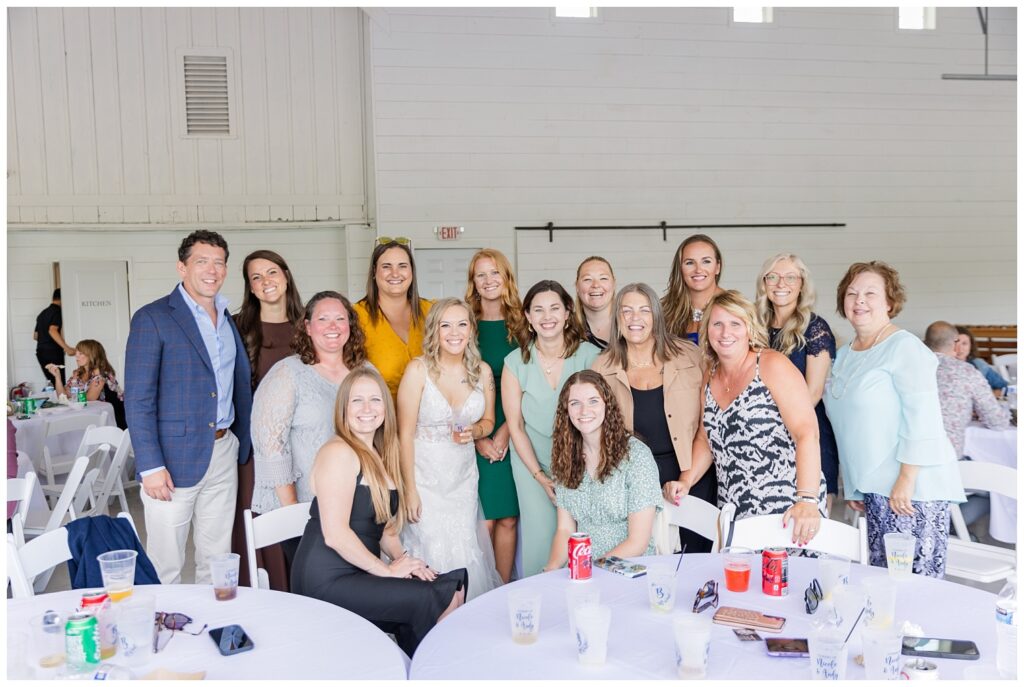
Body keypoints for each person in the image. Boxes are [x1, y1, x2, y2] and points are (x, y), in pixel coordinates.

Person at [291, 367, 467, 657]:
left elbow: (382, 526)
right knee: (436, 598)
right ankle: (429, 671)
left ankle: (418, 669)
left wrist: (405, 561)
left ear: (386, 406)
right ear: (343, 408)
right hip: (326, 580)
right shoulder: (339, 452)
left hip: (357, 571)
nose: (367, 409)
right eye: (357, 401)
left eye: (375, 400)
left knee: (450, 587)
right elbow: (335, 535)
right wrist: (386, 571)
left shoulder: (377, 452)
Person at [125, 230, 253, 585]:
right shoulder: (153, 318)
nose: (212, 270)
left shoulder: (228, 319)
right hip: (172, 459)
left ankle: (209, 630)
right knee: (166, 563)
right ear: (182, 267)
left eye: (219, 263)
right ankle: (164, 631)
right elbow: (138, 398)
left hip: (224, 449)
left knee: (216, 557)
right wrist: (150, 465)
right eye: (202, 262)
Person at [824, 262, 965, 578]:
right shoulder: (846, 353)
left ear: (889, 302)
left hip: (912, 488)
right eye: (852, 293)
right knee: (883, 583)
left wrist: (907, 478)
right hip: (876, 487)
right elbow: (852, 426)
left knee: (914, 588)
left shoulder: (904, 347)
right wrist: (858, 487)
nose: (860, 300)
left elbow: (924, 417)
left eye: (871, 293)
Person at [663, 291, 826, 547]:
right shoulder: (710, 374)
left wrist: (806, 500)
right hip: (735, 510)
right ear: (707, 331)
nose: (725, 332)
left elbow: (807, 433)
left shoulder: (772, 365)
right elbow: (706, 438)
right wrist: (686, 480)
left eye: (735, 324)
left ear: (749, 328)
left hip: (788, 510)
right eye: (717, 324)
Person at [250, 292, 369, 585]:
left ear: (350, 326)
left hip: (356, 505)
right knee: (320, 588)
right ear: (307, 326)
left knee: (357, 585)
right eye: (323, 318)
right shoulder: (287, 374)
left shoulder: (364, 372)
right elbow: (270, 445)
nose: (333, 326)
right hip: (304, 506)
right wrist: (294, 513)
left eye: (340, 318)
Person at [591, 282, 712, 552]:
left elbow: (709, 423)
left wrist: (687, 479)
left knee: (694, 563)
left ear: (656, 316)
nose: (636, 319)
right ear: (617, 319)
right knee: (645, 564)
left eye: (644, 310)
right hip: (631, 484)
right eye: (627, 311)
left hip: (691, 475)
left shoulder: (690, 356)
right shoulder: (602, 366)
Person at [397, 298, 502, 599]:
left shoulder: (481, 372)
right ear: (434, 330)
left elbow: (489, 421)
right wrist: (409, 489)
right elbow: (404, 434)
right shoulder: (418, 371)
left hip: (462, 477)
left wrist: (475, 431)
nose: (454, 332)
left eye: (461, 324)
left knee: (464, 544)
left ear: (471, 329)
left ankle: (465, 616)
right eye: (446, 325)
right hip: (424, 477)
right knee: (427, 543)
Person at [503, 280, 600, 577]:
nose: (548, 316)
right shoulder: (515, 361)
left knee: (581, 532)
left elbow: (598, 414)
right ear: (528, 317)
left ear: (568, 313)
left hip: (580, 460)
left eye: (555, 308)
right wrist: (539, 476)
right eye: (539, 310)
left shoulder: (589, 355)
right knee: (541, 534)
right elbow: (515, 426)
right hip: (531, 459)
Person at [230, 249, 305, 591]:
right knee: (260, 521)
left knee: (302, 518)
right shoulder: (236, 328)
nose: (266, 282)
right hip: (255, 450)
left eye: (271, 272)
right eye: (256, 277)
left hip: (304, 446)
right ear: (250, 287)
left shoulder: (310, 324)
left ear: (286, 275)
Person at [543, 371, 661, 570]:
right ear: (566, 410)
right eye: (575, 403)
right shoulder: (566, 457)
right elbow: (565, 530)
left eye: (593, 401)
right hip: (582, 570)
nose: (584, 411)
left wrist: (590, 569)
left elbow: (638, 542)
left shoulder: (637, 456)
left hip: (627, 567)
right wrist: (550, 569)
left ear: (607, 405)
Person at [754, 253, 840, 511]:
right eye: (773, 277)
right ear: (764, 283)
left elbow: (813, 393)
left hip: (804, 434)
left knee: (807, 522)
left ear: (802, 284)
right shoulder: (754, 326)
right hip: (760, 438)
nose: (782, 284)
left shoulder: (815, 328)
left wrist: (772, 424)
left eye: (791, 277)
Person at [465, 249, 525, 583]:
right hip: (475, 425)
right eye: (481, 275)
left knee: (508, 518)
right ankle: (481, 588)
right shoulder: (465, 324)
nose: (488, 281)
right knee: (483, 519)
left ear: (506, 278)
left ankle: (503, 587)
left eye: (494, 273)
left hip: (515, 423)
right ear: (473, 282)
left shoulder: (522, 323)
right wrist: (478, 437)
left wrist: (504, 433)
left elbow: (530, 383)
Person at [354, 239, 432, 401]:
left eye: (402, 266)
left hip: (431, 420)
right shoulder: (356, 316)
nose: (395, 273)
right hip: (381, 419)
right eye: (386, 266)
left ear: (412, 271)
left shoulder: (432, 311)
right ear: (374, 272)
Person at [924, 321, 1011, 458]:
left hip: (902, 455)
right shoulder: (967, 371)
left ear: (925, 342)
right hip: (947, 457)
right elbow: (997, 422)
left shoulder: (906, 368)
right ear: (954, 343)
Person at [45, 339, 127, 429]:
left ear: (92, 355)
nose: (76, 356)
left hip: (113, 420)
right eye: (76, 353)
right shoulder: (78, 373)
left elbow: (90, 398)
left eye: (81, 353)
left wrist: (72, 398)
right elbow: (63, 396)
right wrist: (57, 377)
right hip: (90, 417)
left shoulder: (102, 374)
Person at [662, 234, 726, 345]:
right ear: (680, 269)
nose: (698, 270)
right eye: (690, 263)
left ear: (717, 267)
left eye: (706, 261)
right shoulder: (666, 310)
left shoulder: (735, 307)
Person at [34, 288, 75, 387]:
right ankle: (64, 401)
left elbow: (35, 336)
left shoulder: (42, 313)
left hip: (41, 352)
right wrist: (67, 348)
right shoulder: (57, 311)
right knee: (61, 381)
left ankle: (59, 401)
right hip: (53, 353)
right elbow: (52, 330)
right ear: (63, 298)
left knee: (54, 381)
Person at [574, 256, 617, 350]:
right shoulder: (568, 329)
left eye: (603, 278)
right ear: (577, 286)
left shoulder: (630, 322)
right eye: (587, 279)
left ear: (614, 284)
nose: (596, 285)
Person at [955, 326, 1009, 392]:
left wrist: (992, 394)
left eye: (964, 343)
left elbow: (1003, 387)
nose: (960, 349)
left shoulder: (979, 364)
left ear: (971, 346)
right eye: (955, 343)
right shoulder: (941, 365)